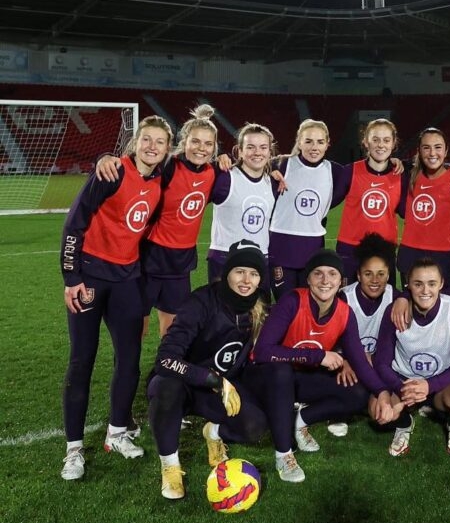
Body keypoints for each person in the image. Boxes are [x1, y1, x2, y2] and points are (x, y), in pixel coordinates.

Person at [60, 115, 172, 481]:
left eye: (160, 142)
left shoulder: (158, 182)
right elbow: (75, 222)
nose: (152, 146)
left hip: (127, 280)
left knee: (130, 359)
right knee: (82, 360)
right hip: (90, 278)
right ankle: (73, 449)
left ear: (167, 149)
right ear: (135, 142)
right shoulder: (111, 172)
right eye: (147, 139)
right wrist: (71, 277)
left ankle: (117, 432)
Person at [146, 241, 300, 499]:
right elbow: (165, 359)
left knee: (255, 427)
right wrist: (212, 379)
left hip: (221, 388)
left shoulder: (259, 303)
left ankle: (213, 432)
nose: (246, 279)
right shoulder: (200, 302)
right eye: (239, 271)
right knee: (165, 386)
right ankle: (170, 466)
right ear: (226, 272)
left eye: (253, 273)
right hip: (185, 382)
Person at [97, 104, 221, 337]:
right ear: (184, 141)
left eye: (208, 144)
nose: (201, 149)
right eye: (195, 141)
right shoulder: (167, 166)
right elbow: (132, 167)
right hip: (150, 256)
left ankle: (165, 371)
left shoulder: (214, 172)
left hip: (181, 263)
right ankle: (127, 370)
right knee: (137, 326)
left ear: (214, 148)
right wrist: (104, 157)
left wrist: (274, 171)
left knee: (173, 327)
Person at [252, 249, 389, 453]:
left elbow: (359, 360)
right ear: (308, 278)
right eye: (318, 273)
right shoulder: (292, 301)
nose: (325, 280)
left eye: (332, 274)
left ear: (341, 281)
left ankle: (300, 420)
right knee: (282, 373)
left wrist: (382, 392)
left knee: (358, 393)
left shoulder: (344, 313)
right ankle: (283, 440)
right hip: (273, 380)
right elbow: (262, 352)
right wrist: (319, 356)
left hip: (303, 380)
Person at [370, 258, 450, 457]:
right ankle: (404, 424)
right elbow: (381, 362)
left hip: (440, 385)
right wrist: (401, 388)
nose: (425, 291)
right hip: (403, 383)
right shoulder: (395, 311)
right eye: (418, 284)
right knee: (377, 408)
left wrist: (429, 385)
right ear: (408, 285)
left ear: (441, 284)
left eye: (432, 284)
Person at [267, 119, 348, 300]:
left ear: (328, 143)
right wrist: (267, 169)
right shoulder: (281, 164)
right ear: (299, 141)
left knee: (309, 305)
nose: (314, 147)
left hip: (313, 248)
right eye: (308, 141)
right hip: (281, 247)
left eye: (320, 142)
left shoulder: (335, 171)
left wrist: (396, 163)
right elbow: (249, 165)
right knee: (285, 304)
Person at [327, 233, 397, 437]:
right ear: (358, 275)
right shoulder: (343, 297)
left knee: (381, 413)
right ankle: (338, 412)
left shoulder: (397, 297)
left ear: (389, 274)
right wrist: (344, 359)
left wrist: (405, 300)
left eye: (381, 274)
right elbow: (328, 338)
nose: (375, 280)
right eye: (368, 274)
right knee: (347, 381)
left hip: (378, 364)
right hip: (346, 363)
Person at [334, 119, 405, 284]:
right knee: (347, 302)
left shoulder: (401, 175)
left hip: (384, 250)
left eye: (386, 140)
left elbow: (405, 211)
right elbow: (327, 201)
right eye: (375, 139)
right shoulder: (350, 171)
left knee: (385, 305)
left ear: (394, 143)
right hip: (351, 248)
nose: (381, 145)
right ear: (365, 142)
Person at [397, 127, 450, 287]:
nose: (432, 153)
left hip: (445, 261)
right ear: (419, 151)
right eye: (426, 147)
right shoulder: (407, 178)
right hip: (411, 259)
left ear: (446, 150)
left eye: (438, 147)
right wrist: (394, 161)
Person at [207, 122, 276, 289]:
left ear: (270, 151)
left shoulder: (273, 183)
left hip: (260, 260)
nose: (257, 152)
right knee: (223, 314)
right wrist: (217, 162)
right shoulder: (224, 178)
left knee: (259, 314)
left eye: (263, 147)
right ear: (239, 150)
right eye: (250, 147)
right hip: (225, 258)